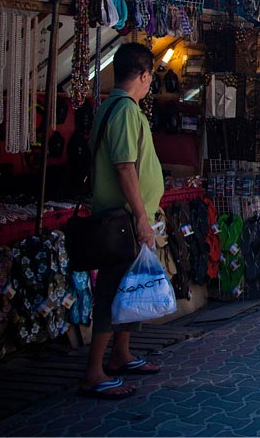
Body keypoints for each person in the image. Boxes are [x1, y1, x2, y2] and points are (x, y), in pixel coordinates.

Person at [80, 43, 163, 400]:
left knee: (130, 288)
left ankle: (122, 353)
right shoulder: (125, 112)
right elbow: (125, 167)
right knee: (113, 291)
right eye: (149, 79)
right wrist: (143, 219)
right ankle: (95, 372)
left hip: (125, 218)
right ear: (143, 75)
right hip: (123, 220)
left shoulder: (111, 107)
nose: (148, 86)